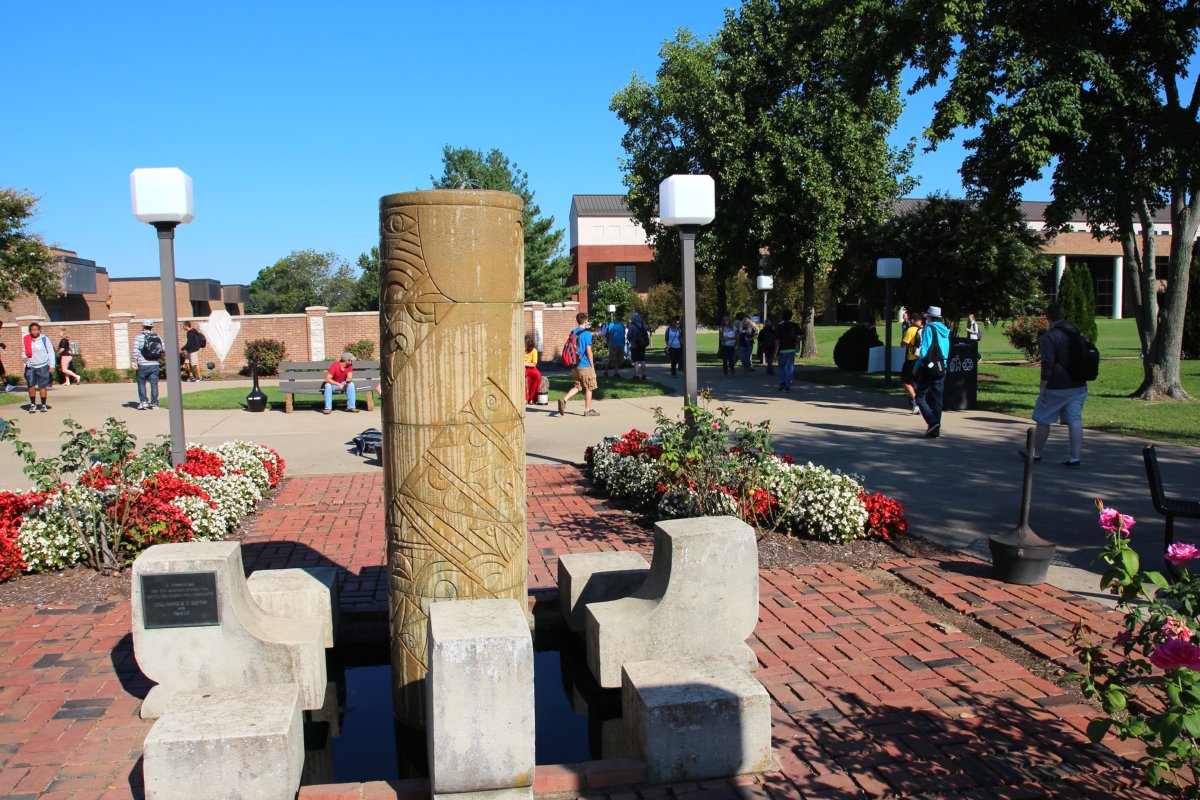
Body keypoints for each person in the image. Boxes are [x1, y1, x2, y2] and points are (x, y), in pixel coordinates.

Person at [1020, 303, 1087, 467]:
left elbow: (1048, 363)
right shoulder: (1076, 333)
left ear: (1047, 317)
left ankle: (1035, 452)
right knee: (1075, 420)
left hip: (1057, 384)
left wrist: (1043, 386)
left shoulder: (1050, 337)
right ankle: (1075, 456)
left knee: (1043, 419)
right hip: (1078, 383)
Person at [914, 305, 950, 438]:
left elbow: (924, 352)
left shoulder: (929, 329)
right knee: (937, 399)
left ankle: (932, 422)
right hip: (942, 366)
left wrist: (916, 366)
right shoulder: (945, 330)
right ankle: (935, 429)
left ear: (929, 317)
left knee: (920, 396)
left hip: (929, 367)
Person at [558, 311, 599, 417]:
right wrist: (592, 366)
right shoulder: (587, 334)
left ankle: (564, 399)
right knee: (589, 387)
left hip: (574, 365)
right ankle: (587, 410)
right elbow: (589, 352)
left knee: (578, 386)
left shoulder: (573, 332)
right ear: (585, 321)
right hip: (585, 364)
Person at [22, 322, 54, 413]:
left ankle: (43, 405)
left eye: (36, 329)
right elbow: (23, 351)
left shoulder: (44, 339)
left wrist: (51, 365)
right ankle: (33, 404)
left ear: (39, 330)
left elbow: (50, 352)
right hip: (31, 365)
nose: (34, 331)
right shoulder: (27, 339)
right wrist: (24, 357)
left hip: (43, 365)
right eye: (32, 330)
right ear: (30, 331)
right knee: (31, 385)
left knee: (42, 386)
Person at [132, 319, 163, 410]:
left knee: (141, 382)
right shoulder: (158, 337)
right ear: (151, 327)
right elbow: (163, 348)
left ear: (143, 326)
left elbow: (136, 350)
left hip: (143, 364)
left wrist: (134, 361)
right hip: (155, 364)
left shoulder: (139, 337)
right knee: (154, 384)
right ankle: (154, 404)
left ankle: (144, 402)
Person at [900, 311, 925, 413]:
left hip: (912, 359)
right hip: (923, 359)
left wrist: (902, 343)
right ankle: (922, 400)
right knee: (917, 381)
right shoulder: (925, 329)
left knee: (905, 381)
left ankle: (916, 400)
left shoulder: (911, 330)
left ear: (913, 321)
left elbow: (904, 344)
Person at [774, 310, 800, 392]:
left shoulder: (780, 326)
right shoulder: (794, 325)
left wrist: (775, 350)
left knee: (781, 367)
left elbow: (777, 339)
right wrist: (797, 341)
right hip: (791, 348)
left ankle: (782, 383)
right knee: (790, 367)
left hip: (782, 349)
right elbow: (801, 334)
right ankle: (788, 385)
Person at [628, 312, 651, 380]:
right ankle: (644, 375)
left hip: (634, 345)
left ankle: (636, 375)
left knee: (636, 360)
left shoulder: (632, 325)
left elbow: (629, 335)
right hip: (642, 344)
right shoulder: (643, 324)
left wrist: (630, 340)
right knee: (642, 360)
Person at [523, 334, 542, 404]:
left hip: (531, 368)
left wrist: (523, 363)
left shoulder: (534, 351)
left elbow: (534, 364)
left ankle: (532, 398)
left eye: (525, 344)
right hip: (523, 368)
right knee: (521, 377)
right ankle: (525, 398)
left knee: (538, 375)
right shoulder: (521, 350)